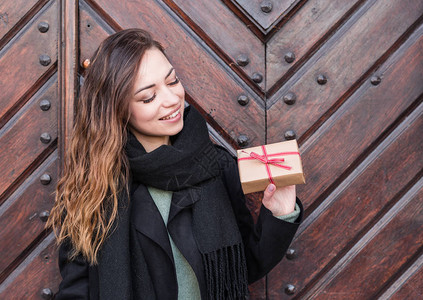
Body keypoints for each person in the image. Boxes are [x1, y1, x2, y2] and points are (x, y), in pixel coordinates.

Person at [47, 28, 303, 300]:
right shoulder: (95, 187)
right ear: (118, 108)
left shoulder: (216, 166)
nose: (171, 100)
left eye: (172, 81)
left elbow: (240, 269)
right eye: (148, 97)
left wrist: (280, 213)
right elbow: (77, 290)